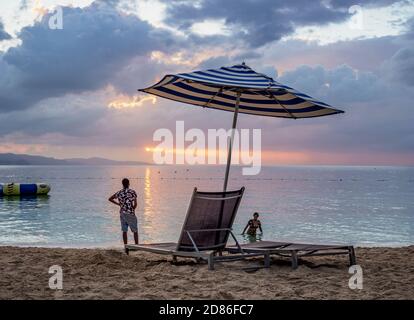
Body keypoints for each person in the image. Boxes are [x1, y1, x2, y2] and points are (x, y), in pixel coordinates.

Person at [108, 178, 138, 247]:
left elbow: (110, 199)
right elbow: (135, 204)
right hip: (130, 213)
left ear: (122, 184)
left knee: (124, 231)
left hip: (122, 213)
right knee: (135, 231)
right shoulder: (132, 192)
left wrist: (119, 204)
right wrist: (133, 209)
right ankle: (137, 246)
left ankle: (126, 246)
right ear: (129, 184)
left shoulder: (119, 192)